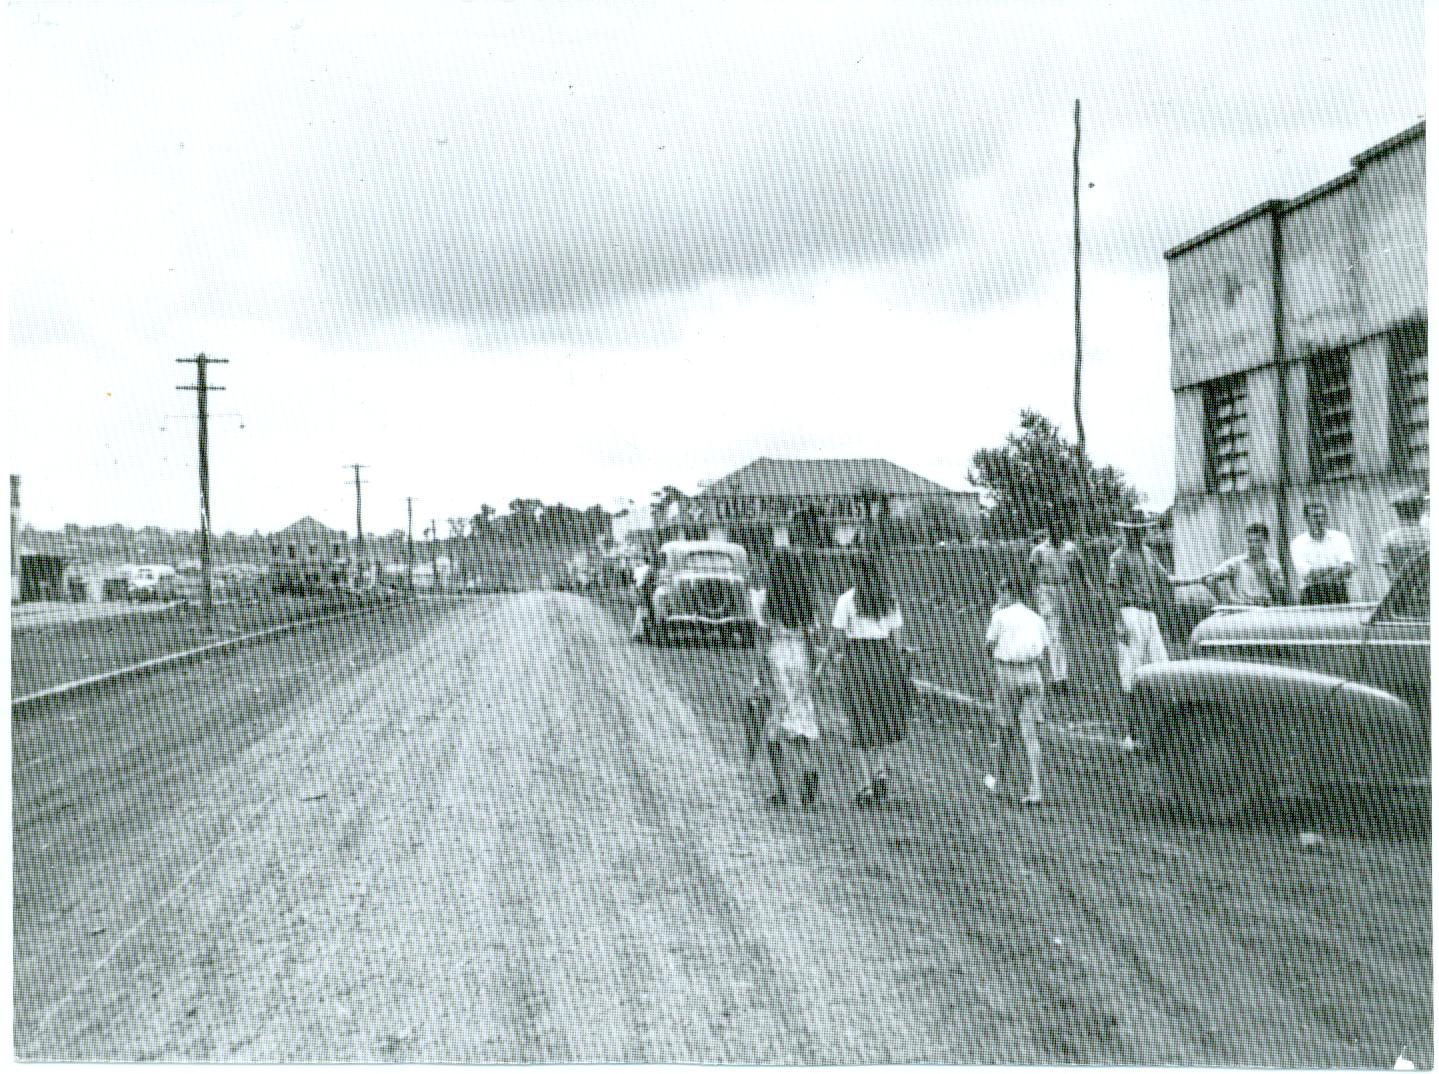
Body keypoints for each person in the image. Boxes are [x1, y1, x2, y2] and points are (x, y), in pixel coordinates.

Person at [831, 553, 914, 806]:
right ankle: (881, 770)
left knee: (861, 721)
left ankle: (867, 782)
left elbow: (837, 639)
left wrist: (835, 658)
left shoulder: (847, 600)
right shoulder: (889, 600)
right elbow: (899, 641)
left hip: (858, 661)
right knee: (883, 717)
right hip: (885, 659)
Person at [753, 549, 822, 807]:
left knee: (775, 727)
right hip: (801, 659)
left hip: (778, 658)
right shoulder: (806, 602)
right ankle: (809, 769)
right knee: (803, 717)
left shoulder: (766, 602)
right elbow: (813, 638)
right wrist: (813, 668)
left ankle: (781, 788)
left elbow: (762, 640)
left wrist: (760, 676)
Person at [984, 571, 1049, 806]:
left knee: (1005, 731)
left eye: (1002, 590)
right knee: (1030, 734)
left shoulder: (1000, 616)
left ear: (1010, 593)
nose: (999, 595)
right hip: (1033, 675)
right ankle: (1036, 789)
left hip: (1008, 674)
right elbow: (1043, 652)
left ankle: (999, 779)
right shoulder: (1036, 618)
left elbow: (989, 646)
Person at [1106, 516, 1171, 739]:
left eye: (1140, 530)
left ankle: (1159, 730)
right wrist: (1118, 621)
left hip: (1149, 615)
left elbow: (1167, 578)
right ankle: (1130, 734)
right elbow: (1112, 591)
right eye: (1131, 530)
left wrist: (1200, 579)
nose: (1136, 534)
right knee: (1131, 677)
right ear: (1125, 532)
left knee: (1161, 669)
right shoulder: (1118, 556)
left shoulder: (1150, 554)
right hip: (1130, 614)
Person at [1173, 522, 1287, 606]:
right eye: (1249, 541)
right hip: (1242, 610)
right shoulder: (1236, 563)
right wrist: (1224, 601)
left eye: (1257, 541)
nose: (1252, 545)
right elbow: (1210, 578)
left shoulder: (1274, 566)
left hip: (1267, 610)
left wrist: (1268, 576)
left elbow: (1282, 594)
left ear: (1265, 542)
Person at [1028, 526, 1073, 693]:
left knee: (1061, 634)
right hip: (1047, 590)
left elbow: (1079, 567)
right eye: (1054, 530)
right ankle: (1059, 678)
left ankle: (1056, 673)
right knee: (1054, 635)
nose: (1057, 533)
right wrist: (1036, 594)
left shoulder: (1069, 548)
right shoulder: (1039, 550)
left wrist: (1090, 587)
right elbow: (1032, 573)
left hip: (1064, 590)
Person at [1290, 503, 1355, 605]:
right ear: (1306, 519)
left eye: (1322, 516)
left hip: (1338, 592)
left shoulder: (1340, 538)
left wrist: (1320, 573)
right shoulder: (1298, 543)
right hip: (1311, 594)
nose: (1319, 520)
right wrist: (1335, 570)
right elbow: (1307, 575)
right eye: (1315, 516)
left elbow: (1348, 569)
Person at [1379, 490, 1429, 582]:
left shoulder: (1389, 538)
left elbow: (1388, 570)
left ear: (1398, 512)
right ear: (1421, 509)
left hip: (1404, 589)